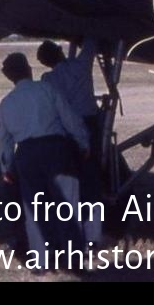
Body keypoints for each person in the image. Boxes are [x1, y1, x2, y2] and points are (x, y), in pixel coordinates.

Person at [0, 52, 89, 272]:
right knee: (67, 206)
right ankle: (74, 262)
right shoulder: (47, 89)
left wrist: (6, 168)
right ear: (29, 69)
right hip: (57, 150)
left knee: (34, 210)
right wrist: (83, 142)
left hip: (26, 155)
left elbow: (3, 141)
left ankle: (41, 263)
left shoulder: (5, 104)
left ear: (9, 77)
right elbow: (69, 118)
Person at [37, 39, 103, 244]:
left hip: (65, 131)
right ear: (59, 52)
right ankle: (93, 235)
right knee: (92, 180)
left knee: (70, 182)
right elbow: (91, 45)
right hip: (89, 125)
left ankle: (71, 233)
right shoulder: (79, 65)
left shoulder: (47, 79)